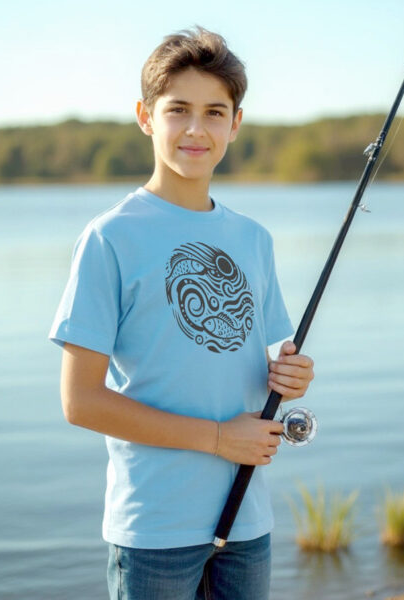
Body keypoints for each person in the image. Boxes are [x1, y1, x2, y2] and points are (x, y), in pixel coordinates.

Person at [49, 26, 315, 600]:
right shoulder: (109, 238)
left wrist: (294, 375)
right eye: (179, 110)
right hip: (153, 528)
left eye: (215, 112)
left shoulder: (254, 238)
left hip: (247, 519)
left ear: (235, 125)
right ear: (146, 116)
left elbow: (269, 361)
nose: (197, 129)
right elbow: (80, 401)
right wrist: (219, 438)